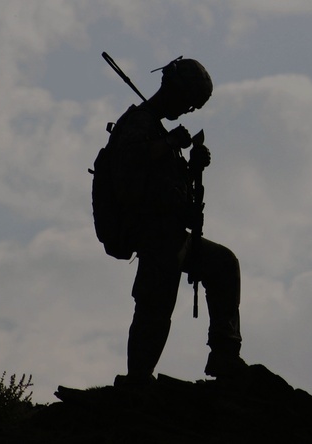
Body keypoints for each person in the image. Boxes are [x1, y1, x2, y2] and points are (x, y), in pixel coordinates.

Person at [108, 57, 247, 385]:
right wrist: (170, 143)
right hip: (153, 234)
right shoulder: (139, 123)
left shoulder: (157, 131)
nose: (187, 110)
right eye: (187, 101)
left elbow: (169, 185)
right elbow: (127, 160)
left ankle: (224, 354)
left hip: (173, 234)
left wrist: (193, 166)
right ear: (172, 89)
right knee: (155, 306)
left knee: (223, 264)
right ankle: (138, 379)